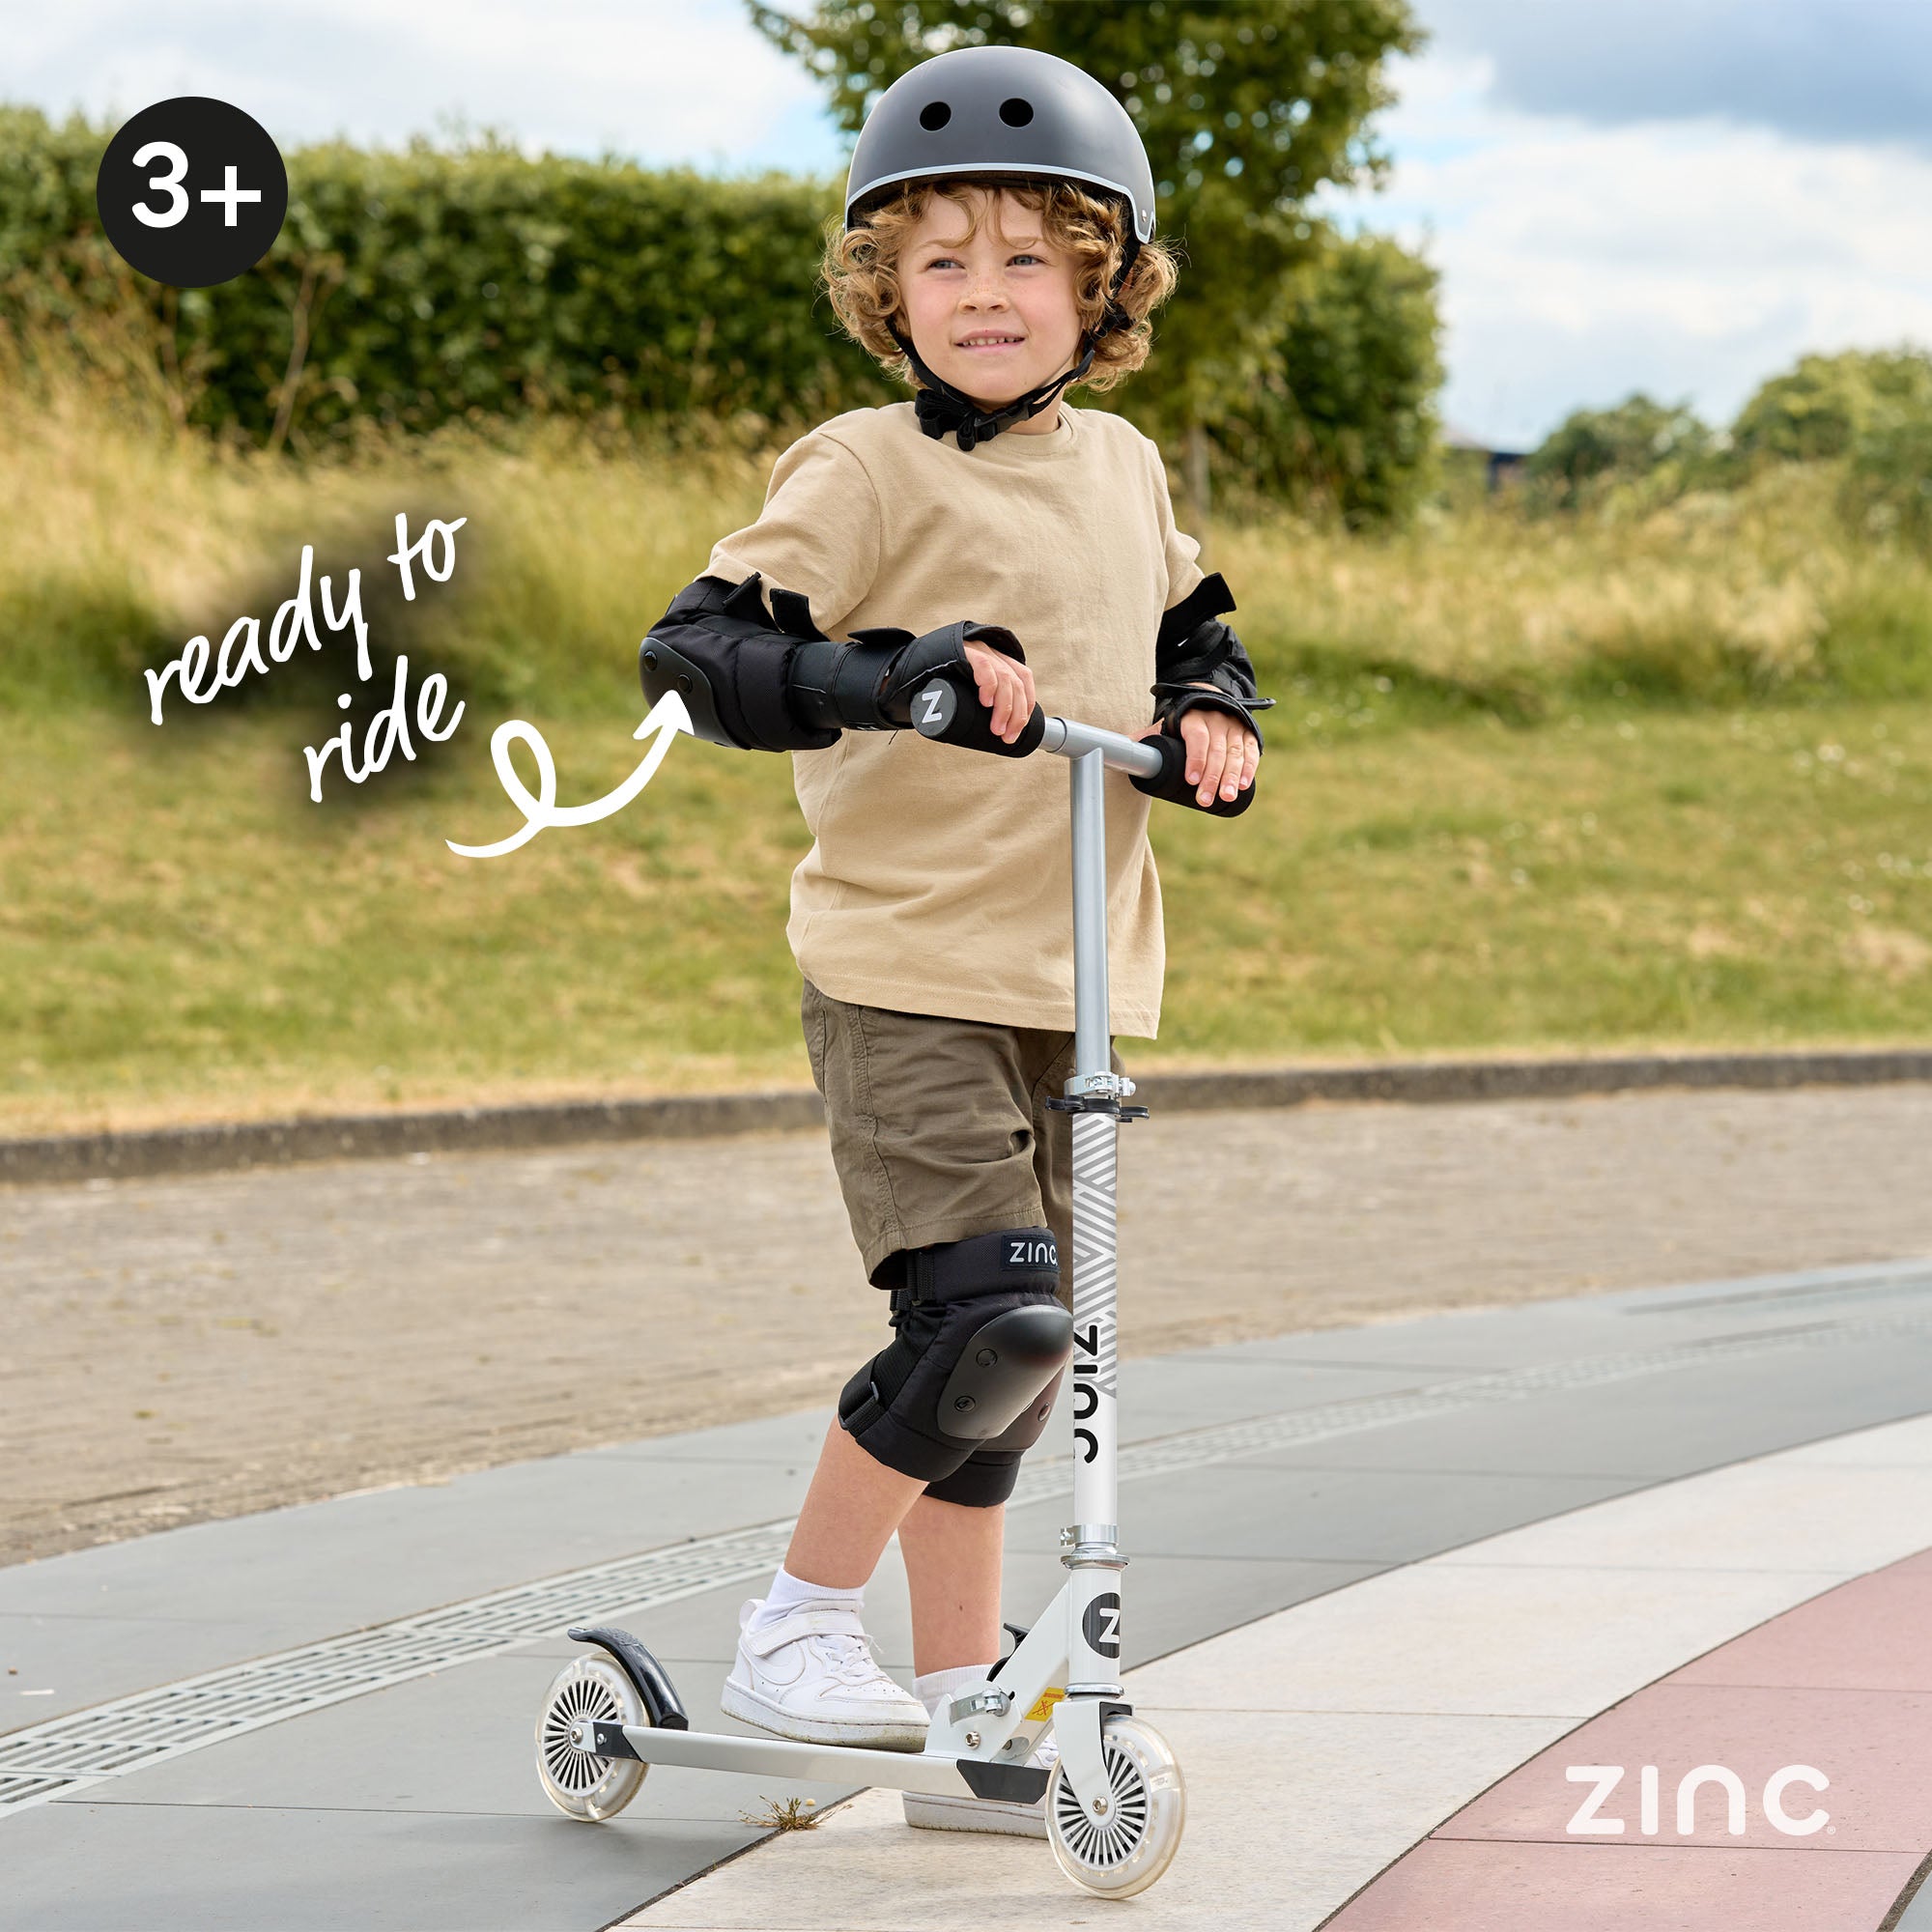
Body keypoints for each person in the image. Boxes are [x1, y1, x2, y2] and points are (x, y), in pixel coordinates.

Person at [639, 43, 1271, 1836]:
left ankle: (961, 1708)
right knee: (982, 1319)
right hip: (903, 964)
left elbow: (1192, 632)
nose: (983, 295)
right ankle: (795, 1625)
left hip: (1075, 983)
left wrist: (1215, 717)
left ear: (1101, 284)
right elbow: (699, 657)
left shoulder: (1128, 468)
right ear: (885, 291)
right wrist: (897, 678)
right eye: (940, 260)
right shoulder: (858, 469)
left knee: (1027, 1370)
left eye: (1025, 259)